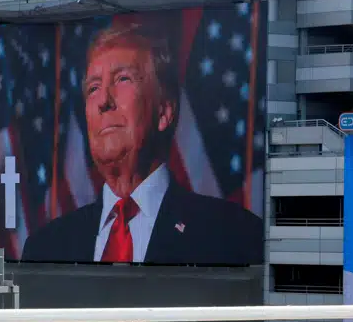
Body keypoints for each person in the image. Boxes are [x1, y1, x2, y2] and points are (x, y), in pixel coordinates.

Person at [21, 20, 263, 265]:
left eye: (122, 79)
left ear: (164, 112)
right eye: (93, 88)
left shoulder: (233, 237)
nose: (103, 101)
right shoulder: (45, 249)